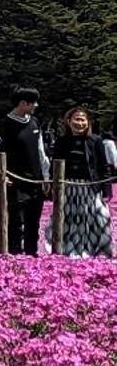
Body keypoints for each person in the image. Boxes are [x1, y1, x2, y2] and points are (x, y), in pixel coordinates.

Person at [0, 87, 49, 257]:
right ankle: (14, 255)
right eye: (33, 103)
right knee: (16, 221)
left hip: (35, 181)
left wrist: (46, 177)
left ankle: (32, 254)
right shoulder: (2, 126)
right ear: (22, 103)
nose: (36, 106)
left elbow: (41, 153)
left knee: (33, 221)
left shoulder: (34, 122)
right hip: (13, 181)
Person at [49, 107, 115, 258]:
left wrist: (106, 190)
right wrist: (52, 186)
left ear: (88, 122)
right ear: (68, 121)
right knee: (70, 220)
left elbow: (104, 166)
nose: (79, 123)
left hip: (90, 187)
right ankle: (70, 252)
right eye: (76, 119)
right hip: (68, 187)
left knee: (99, 219)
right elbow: (54, 165)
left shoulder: (96, 140)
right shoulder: (61, 141)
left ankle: (98, 252)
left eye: (82, 119)